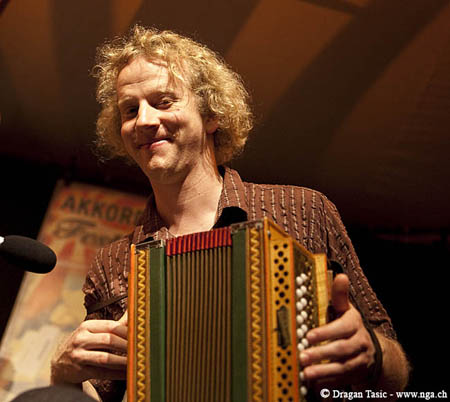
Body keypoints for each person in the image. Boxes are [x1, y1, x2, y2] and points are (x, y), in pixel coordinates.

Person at [50, 25, 410, 401]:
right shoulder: (113, 263)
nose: (143, 120)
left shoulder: (303, 211)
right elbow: (97, 393)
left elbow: (396, 372)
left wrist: (376, 355)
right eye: (130, 109)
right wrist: (63, 373)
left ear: (211, 116)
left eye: (163, 101)